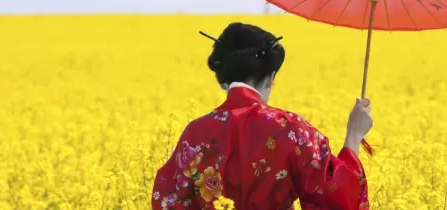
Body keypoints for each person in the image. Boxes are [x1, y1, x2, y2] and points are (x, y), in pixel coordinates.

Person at [152, 22, 372, 210]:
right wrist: (354, 135)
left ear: (221, 80)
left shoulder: (195, 133)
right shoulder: (290, 128)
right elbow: (337, 198)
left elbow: (168, 200)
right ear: (271, 76)